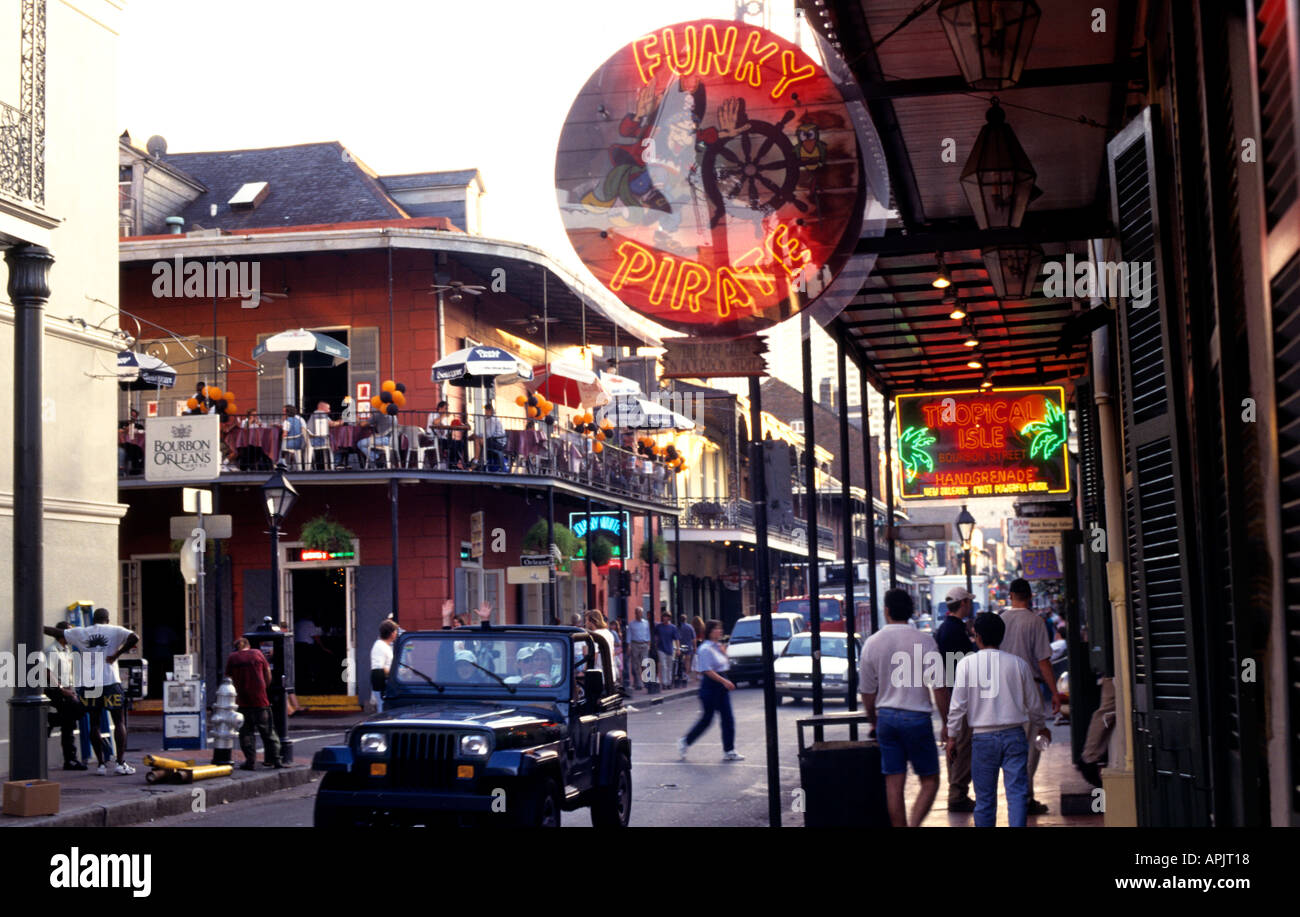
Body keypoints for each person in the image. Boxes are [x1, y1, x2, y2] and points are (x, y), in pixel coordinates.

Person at [947, 613, 1049, 827]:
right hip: (1014, 735)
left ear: (977, 636)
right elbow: (1034, 703)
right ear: (1002, 636)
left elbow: (957, 707)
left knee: (984, 799)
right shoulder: (1018, 664)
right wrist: (1041, 727)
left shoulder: (966, 664)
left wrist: (952, 737)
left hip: (982, 739)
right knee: (1017, 794)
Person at [859, 588, 947, 828]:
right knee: (930, 780)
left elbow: (867, 691)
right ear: (910, 612)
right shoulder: (925, 640)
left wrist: (874, 721)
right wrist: (947, 723)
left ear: (886, 611)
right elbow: (939, 687)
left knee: (893, 783)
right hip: (917, 717)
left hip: (886, 718)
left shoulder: (872, 643)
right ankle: (914, 824)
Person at [46, 609, 139, 776]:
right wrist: (116, 654)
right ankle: (120, 763)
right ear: (107, 619)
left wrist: (36, 624)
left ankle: (101, 765)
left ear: (94, 620)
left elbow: (55, 631)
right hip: (110, 681)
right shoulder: (116, 630)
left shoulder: (82, 632)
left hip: (90, 685)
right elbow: (135, 638)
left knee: (94, 723)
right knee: (119, 722)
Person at [999, 578, 1062, 815]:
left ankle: (1025, 795)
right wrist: (1054, 693)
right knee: (1034, 744)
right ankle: (1023, 798)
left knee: (1014, 745)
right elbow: (1043, 661)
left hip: (1005, 690)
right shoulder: (1035, 621)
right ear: (1030, 597)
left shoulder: (1001, 620)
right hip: (1030, 689)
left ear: (1010, 595)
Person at [933, 586, 978, 812]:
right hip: (957, 696)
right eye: (968, 602)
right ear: (963, 604)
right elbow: (958, 669)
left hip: (953, 695)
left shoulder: (946, 629)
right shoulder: (954, 632)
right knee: (961, 744)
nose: (970, 605)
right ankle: (957, 793)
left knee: (956, 743)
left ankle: (957, 790)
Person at [677, 620, 744, 761]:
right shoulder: (705, 649)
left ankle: (729, 750)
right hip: (710, 686)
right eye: (716, 629)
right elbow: (707, 670)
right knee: (707, 719)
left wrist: (724, 653)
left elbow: (725, 664)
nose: (719, 631)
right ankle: (685, 741)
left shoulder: (718, 646)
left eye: (720, 629)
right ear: (710, 631)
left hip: (721, 684)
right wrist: (724, 681)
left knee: (728, 718)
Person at [225, 637, 283, 770]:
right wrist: (264, 687)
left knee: (246, 733)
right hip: (260, 700)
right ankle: (276, 760)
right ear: (248, 646)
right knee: (268, 732)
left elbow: (229, 678)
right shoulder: (257, 653)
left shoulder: (232, 658)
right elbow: (267, 672)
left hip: (243, 702)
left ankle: (250, 761)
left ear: (236, 647)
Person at [44, 623, 87, 770]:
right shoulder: (52, 650)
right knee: (78, 712)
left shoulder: (67, 650)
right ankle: (50, 720)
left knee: (69, 723)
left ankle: (70, 760)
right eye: (70, 632)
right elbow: (47, 673)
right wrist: (62, 690)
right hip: (55, 690)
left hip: (67, 690)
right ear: (62, 635)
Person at [1079, 676, 1116, 788]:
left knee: (1108, 711)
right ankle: (1089, 757)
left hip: (1111, 672)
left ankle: (1090, 757)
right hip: (1112, 673)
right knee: (1107, 710)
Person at [370, 620, 399, 712]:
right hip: (382, 686)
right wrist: (395, 673)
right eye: (395, 631)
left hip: (387, 685)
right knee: (382, 709)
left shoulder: (386, 646)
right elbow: (378, 670)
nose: (396, 633)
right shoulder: (380, 647)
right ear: (391, 633)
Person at [585, 610, 619, 681]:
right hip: (610, 673)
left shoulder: (595, 634)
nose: (586, 623)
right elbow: (612, 654)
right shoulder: (608, 633)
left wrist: (585, 669)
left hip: (599, 674)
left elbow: (595, 655)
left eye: (587, 620)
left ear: (592, 621)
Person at [653, 607, 679, 689]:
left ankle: (669, 682)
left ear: (669, 618)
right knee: (663, 666)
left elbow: (676, 639)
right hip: (661, 648)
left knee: (669, 666)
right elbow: (655, 635)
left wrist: (678, 649)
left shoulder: (673, 627)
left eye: (667, 617)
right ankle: (664, 683)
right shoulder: (659, 627)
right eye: (664, 616)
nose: (665, 618)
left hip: (670, 649)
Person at [626, 607, 651, 690]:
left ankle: (645, 681)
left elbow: (648, 633)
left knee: (644, 663)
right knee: (635, 665)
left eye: (640, 612)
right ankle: (638, 683)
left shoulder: (646, 623)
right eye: (637, 612)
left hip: (644, 644)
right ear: (635, 613)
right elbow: (629, 635)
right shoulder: (631, 624)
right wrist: (628, 646)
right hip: (635, 644)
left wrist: (649, 644)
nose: (639, 614)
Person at [481, 403, 507, 471]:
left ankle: (476, 461)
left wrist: (478, 437)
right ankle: (479, 461)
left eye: (486, 411)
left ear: (490, 411)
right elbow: (487, 434)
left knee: (479, 441)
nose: (485, 413)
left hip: (497, 442)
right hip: (495, 441)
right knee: (479, 440)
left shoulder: (492, 419)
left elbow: (489, 434)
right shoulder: (490, 420)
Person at [676, 614, 696, 685]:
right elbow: (693, 638)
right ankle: (686, 675)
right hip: (688, 646)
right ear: (686, 619)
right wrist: (695, 647)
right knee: (687, 660)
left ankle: (680, 674)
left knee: (680, 660)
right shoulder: (690, 627)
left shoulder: (678, 627)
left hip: (680, 645)